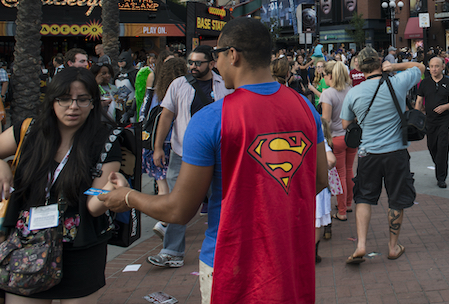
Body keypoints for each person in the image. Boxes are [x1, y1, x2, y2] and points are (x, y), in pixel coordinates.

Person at [101, 17, 328, 304]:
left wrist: (128, 197)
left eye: (217, 54)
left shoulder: (210, 119)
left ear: (233, 55)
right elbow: (318, 179)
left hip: (229, 262)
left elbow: (179, 210)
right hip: (291, 256)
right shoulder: (305, 107)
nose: (216, 63)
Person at [0, 67, 122, 302]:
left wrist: (112, 191)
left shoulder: (106, 140)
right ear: (52, 100)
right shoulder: (28, 131)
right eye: (64, 98)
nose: (73, 106)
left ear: (94, 103)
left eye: (82, 99)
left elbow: (93, 205)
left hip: (79, 252)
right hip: (26, 247)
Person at [148, 45, 231, 268]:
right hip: (183, 153)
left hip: (218, 155)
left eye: (198, 63)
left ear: (211, 64)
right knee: (178, 201)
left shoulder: (224, 85)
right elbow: (166, 116)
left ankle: (226, 247)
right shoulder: (178, 84)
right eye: (190, 62)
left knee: (221, 201)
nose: (193, 67)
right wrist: (158, 147)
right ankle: (171, 251)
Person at [340, 47, 425, 265]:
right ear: (380, 63)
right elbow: (420, 68)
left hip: (368, 153)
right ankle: (392, 246)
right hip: (396, 151)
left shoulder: (354, 93)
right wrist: (394, 66)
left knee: (363, 197)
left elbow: (346, 124)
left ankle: (361, 245)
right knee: (396, 198)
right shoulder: (397, 82)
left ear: (359, 67)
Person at [142, 57, 188, 238]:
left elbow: (146, 113)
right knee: (175, 185)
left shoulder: (157, 92)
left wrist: (156, 145)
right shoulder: (184, 89)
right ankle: (166, 221)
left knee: (163, 185)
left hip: (157, 143)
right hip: (176, 143)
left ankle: (164, 220)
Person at [415, 56, 449, 189]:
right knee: (432, 146)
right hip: (430, 120)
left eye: (436, 66)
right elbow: (418, 100)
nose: (434, 69)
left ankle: (441, 177)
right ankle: (439, 165)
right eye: (431, 66)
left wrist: (446, 106)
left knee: (443, 148)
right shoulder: (424, 83)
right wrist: (416, 117)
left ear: (442, 67)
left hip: (444, 121)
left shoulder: (448, 82)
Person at [320, 60, 354, 220]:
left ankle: (341, 211)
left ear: (329, 76)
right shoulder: (350, 90)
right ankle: (347, 204)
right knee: (348, 171)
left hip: (336, 138)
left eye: (323, 76)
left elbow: (325, 120)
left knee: (339, 175)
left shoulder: (328, 93)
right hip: (350, 136)